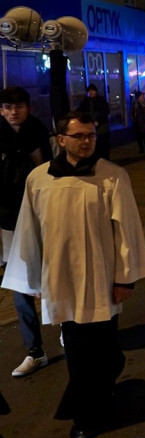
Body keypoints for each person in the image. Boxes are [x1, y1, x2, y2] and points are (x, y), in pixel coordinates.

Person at [1, 112, 145, 438]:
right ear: (61, 139)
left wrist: (125, 278)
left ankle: (98, 390)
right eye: (79, 136)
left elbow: (125, 230)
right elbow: (30, 233)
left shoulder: (111, 176)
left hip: (101, 277)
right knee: (77, 346)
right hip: (60, 279)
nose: (86, 142)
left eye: (91, 136)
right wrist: (34, 282)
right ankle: (85, 414)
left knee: (102, 346)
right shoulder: (39, 179)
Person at [1, 87, 53, 378]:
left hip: (40, 217)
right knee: (20, 286)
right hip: (7, 219)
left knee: (53, 278)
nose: (12, 112)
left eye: (18, 106)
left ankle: (66, 330)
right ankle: (35, 350)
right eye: (7, 107)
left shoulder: (40, 133)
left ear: (28, 108)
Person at [75, 83, 110, 159]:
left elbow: (105, 112)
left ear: (96, 91)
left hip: (101, 128)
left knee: (103, 145)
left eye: (92, 91)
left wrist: (98, 121)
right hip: (90, 127)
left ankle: (105, 160)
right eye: (89, 91)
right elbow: (80, 111)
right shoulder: (85, 102)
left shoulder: (101, 100)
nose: (91, 92)